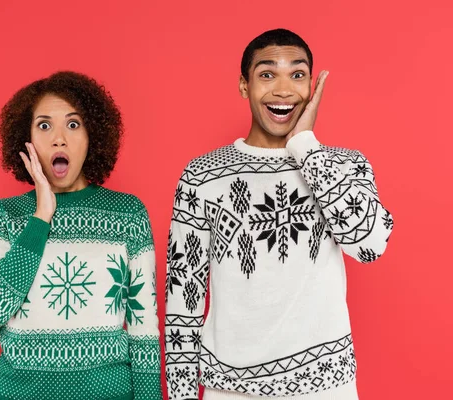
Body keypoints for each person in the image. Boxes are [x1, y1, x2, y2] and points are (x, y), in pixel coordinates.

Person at [164, 29, 394, 400]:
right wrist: (182, 395)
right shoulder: (202, 177)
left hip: (326, 388)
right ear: (244, 86)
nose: (283, 89)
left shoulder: (344, 166)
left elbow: (370, 245)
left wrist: (305, 146)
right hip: (230, 389)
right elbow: (184, 299)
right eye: (267, 74)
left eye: (297, 74)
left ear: (313, 85)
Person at [0, 71, 162, 400]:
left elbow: (144, 327)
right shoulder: (4, 216)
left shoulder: (128, 214)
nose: (59, 138)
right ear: (26, 138)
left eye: (73, 124)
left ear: (92, 136)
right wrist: (41, 217)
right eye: (44, 125)